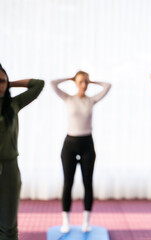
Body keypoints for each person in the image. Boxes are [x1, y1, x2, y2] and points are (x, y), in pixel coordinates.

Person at [51, 71, 111, 233]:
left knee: (87, 183)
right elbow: (52, 83)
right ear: (75, 83)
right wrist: (70, 78)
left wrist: (92, 81)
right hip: (70, 144)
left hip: (87, 145)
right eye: (81, 82)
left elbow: (108, 86)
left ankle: (86, 221)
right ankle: (66, 221)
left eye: (86, 82)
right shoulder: (69, 99)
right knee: (68, 183)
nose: (84, 85)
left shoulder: (91, 100)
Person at [0, 63, 44, 240]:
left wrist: (10, 83)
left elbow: (38, 84)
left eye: (2, 81)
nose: (0, 85)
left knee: (8, 227)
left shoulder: (13, 104)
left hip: (9, 169)